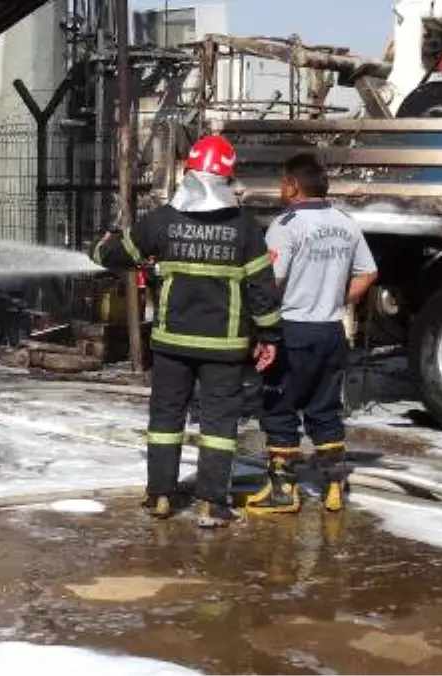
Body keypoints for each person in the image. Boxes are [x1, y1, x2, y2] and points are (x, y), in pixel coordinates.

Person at [91, 135, 283, 528]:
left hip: (171, 343)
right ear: (227, 178)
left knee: (165, 417)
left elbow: (114, 255)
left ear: (189, 172)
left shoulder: (163, 220)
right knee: (218, 424)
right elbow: (262, 290)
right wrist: (269, 337)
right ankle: (211, 504)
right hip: (225, 348)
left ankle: (160, 495)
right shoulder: (244, 228)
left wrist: (102, 246)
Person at [245, 153, 379, 515]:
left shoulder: (286, 226)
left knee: (280, 407)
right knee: (325, 409)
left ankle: (283, 489)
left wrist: (258, 326)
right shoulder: (346, 223)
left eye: (281, 182)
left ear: (293, 185)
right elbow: (368, 273)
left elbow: (271, 281)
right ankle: (334, 485)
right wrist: (336, 297)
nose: (279, 188)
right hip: (331, 330)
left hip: (293, 331)